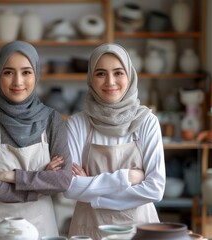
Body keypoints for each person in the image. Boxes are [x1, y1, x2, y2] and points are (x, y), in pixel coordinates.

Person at [0, 41, 72, 236]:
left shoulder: (52, 119)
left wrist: (11, 176)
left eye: (26, 72)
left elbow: (63, 180)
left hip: (40, 226)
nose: (17, 82)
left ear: (36, 74)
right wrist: (39, 187)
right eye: (8, 72)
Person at [64, 43, 166, 239]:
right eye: (101, 73)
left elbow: (155, 189)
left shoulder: (147, 122)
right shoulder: (78, 123)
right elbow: (69, 188)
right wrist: (128, 178)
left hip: (140, 230)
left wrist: (93, 192)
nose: (110, 81)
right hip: (89, 230)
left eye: (118, 73)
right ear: (91, 78)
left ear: (130, 75)